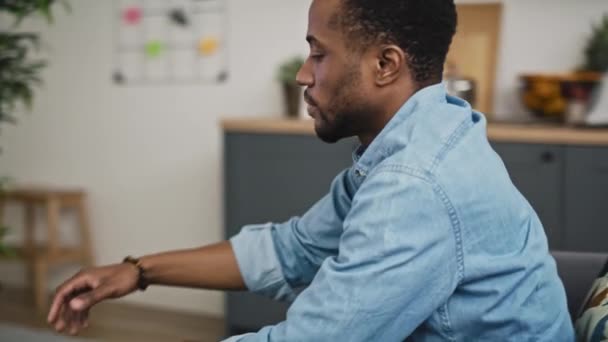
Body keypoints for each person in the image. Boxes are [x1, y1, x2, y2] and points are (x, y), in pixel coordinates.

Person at [48, 0, 575, 340]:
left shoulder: (414, 184)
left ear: (385, 65)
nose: (303, 74)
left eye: (318, 53)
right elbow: (290, 249)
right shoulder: (420, 135)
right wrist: (137, 271)